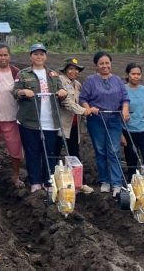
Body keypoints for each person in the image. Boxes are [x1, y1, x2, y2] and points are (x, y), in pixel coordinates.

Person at [13, 44, 67, 193]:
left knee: (50, 153)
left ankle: (48, 182)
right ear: (30, 56)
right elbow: (15, 91)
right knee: (32, 153)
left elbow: (61, 90)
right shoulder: (23, 74)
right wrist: (23, 91)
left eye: (41, 54)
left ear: (45, 56)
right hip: (30, 121)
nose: (39, 57)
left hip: (51, 121)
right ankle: (35, 182)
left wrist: (63, 92)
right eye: (35, 54)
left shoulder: (53, 74)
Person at [79, 51, 130, 196]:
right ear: (96, 65)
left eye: (107, 63)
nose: (104, 66)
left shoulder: (118, 80)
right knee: (100, 150)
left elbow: (125, 98)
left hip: (114, 119)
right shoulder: (90, 80)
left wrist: (125, 110)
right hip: (97, 120)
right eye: (101, 63)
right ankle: (105, 181)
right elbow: (83, 98)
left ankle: (117, 183)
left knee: (114, 150)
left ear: (110, 64)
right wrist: (89, 109)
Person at [0, 44, 24, 189]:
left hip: (11, 119)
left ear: (9, 56)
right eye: (0, 55)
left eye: (5, 55)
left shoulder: (16, 73)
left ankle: (15, 177)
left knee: (15, 149)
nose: (3, 58)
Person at [56, 56, 94, 194]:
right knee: (56, 153)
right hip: (61, 124)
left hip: (74, 125)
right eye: (71, 69)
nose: (74, 71)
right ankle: (53, 183)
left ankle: (78, 183)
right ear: (65, 70)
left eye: (76, 69)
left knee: (74, 154)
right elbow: (67, 102)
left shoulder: (77, 84)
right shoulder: (60, 81)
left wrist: (87, 109)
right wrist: (84, 111)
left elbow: (82, 99)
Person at [121, 63, 144, 182]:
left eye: (138, 74)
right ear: (128, 75)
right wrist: (121, 134)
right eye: (133, 74)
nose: (136, 76)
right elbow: (118, 113)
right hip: (128, 131)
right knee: (131, 161)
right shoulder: (122, 90)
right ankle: (133, 184)